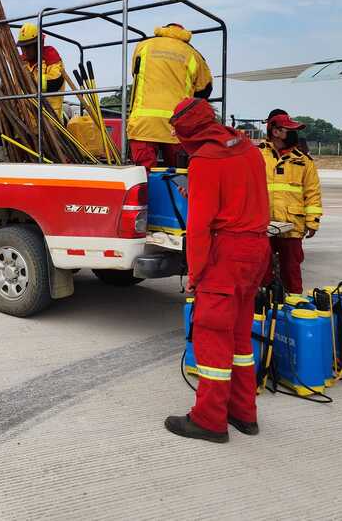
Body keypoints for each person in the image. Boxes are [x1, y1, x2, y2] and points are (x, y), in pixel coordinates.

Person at [164, 98, 271, 443]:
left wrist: (195, 275)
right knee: (240, 338)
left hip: (225, 255)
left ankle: (208, 420)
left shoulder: (205, 159)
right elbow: (240, 195)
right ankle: (244, 413)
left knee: (212, 338)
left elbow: (198, 227)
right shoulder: (250, 150)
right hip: (256, 250)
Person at [127, 24, 213, 172]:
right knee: (177, 175)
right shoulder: (193, 54)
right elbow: (205, 89)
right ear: (183, 34)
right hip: (177, 126)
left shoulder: (143, 46)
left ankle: (148, 195)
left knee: (143, 175)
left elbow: (135, 74)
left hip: (143, 123)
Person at [260, 112, 322, 296]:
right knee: (261, 270)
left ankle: (294, 305)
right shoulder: (257, 155)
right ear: (276, 131)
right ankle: (264, 306)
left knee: (292, 271)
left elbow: (312, 193)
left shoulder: (304, 161)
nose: (295, 134)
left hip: (292, 226)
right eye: (290, 130)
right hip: (263, 225)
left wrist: (313, 222)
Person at [16, 23, 65, 118]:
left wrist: (30, 81)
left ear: (38, 44)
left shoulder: (51, 58)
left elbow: (54, 83)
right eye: (22, 47)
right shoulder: (21, 62)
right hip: (26, 121)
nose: (24, 51)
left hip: (49, 120)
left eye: (28, 47)